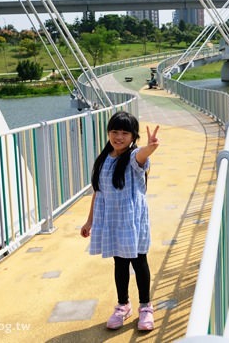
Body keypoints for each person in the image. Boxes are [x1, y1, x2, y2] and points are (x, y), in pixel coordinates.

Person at [80, 111, 160, 331]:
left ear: (134, 136)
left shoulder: (134, 157)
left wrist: (151, 147)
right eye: (115, 131)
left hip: (132, 221)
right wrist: (89, 222)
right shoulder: (104, 158)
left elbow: (141, 156)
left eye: (125, 133)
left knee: (139, 261)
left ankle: (146, 306)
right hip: (113, 221)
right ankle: (123, 305)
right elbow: (99, 192)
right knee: (120, 263)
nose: (119, 137)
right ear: (108, 132)